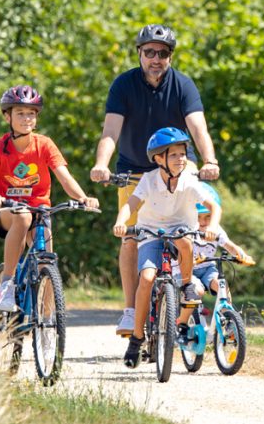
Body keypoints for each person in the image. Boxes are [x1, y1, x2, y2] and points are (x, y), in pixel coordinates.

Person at [90, 24, 220, 337]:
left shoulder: (183, 86)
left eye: (162, 53)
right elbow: (111, 132)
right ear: (139, 54)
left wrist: (209, 160)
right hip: (134, 170)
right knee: (131, 238)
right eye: (149, 52)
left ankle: (186, 286)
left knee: (189, 229)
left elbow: (198, 128)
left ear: (170, 57)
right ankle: (131, 309)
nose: (156, 59)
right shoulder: (124, 85)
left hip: (176, 167)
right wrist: (101, 164)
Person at [0, 84, 100, 312]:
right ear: (7, 116)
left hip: (39, 209)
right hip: (7, 209)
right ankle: (7, 284)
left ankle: (48, 322)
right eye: (20, 113)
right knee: (22, 217)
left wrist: (83, 198)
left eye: (31, 113)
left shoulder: (44, 145)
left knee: (46, 262)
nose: (27, 118)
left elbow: (65, 177)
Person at [112, 127, 221, 368]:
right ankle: (137, 338)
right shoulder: (149, 181)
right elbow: (131, 205)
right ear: (159, 159)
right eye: (173, 155)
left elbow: (214, 206)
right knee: (148, 279)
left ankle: (186, 284)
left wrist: (212, 225)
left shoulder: (189, 182)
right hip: (151, 233)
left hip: (181, 230)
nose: (180, 159)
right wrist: (121, 222)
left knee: (184, 239)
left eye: (183, 154)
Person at [187, 183, 255, 301]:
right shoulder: (187, 228)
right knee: (197, 291)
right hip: (186, 269)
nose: (202, 222)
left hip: (208, 268)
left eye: (208, 216)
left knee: (222, 286)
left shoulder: (215, 229)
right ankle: (189, 317)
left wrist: (242, 255)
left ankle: (228, 315)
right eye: (198, 217)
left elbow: (230, 246)